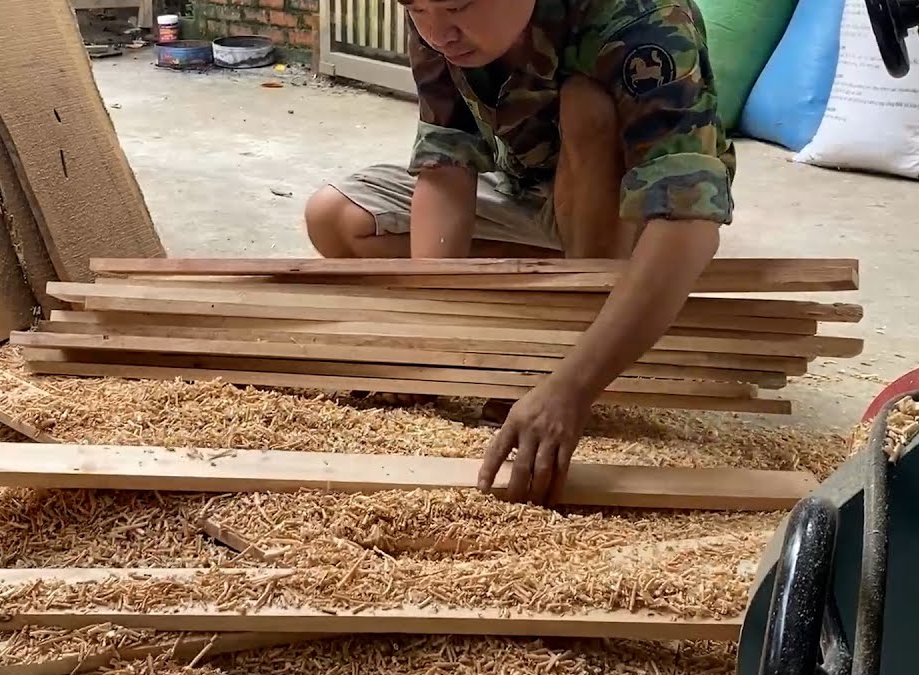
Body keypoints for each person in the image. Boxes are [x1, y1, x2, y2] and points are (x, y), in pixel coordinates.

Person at [302, 0, 736, 506]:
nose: (439, 30)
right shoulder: (443, 26)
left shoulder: (644, 18)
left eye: (457, 6)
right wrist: (425, 336)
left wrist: (570, 390)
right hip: (521, 190)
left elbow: (690, 223)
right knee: (336, 217)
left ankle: (572, 326)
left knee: (584, 105)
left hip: (626, 209)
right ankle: (552, 300)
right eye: (418, 9)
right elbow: (446, 166)